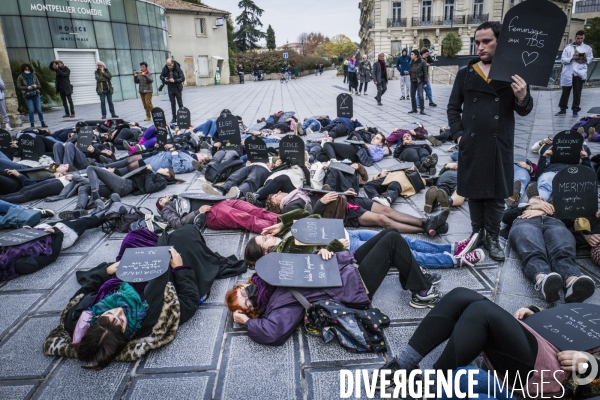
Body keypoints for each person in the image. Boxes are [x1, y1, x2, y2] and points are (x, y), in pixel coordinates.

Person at [44, 225, 245, 369]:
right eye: (120, 320)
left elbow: (86, 289)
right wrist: (180, 268)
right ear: (126, 333)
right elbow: (189, 302)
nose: (118, 312)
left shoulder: (80, 316)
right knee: (185, 236)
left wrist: (106, 271)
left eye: (109, 315)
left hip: (129, 269)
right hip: (165, 272)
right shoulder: (151, 322)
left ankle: (159, 230)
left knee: (133, 236)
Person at [227, 230, 444, 348]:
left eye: (244, 291)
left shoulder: (270, 275)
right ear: (253, 311)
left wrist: (322, 252)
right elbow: (274, 333)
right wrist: (247, 322)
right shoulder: (277, 305)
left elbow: (307, 265)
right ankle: (422, 291)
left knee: (388, 234)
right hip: (354, 287)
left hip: (342, 267)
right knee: (393, 241)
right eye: (247, 302)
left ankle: (415, 280)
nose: (250, 295)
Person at [372, 287, 594, 398]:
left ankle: (433, 385)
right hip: (534, 338)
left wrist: (590, 364)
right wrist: (536, 312)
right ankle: (403, 364)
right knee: (461, 295)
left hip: (554, 367)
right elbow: (565, 319)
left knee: (482, 312)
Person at [447, 21, 533, 261]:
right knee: (474, 194)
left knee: (495, 196)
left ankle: (492, 237)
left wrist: (523, 95)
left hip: (499, 143)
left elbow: (525, 110)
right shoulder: (466, 73)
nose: (480, 47)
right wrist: (459, 135)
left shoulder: (513, 74)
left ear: (500, 42)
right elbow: (453, 108)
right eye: (477, 42)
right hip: (471, 143)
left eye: (486, 41)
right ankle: (477, 234)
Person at [245, 210, 483, 269]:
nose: (265, 235)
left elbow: (312, 216)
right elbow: (317, 257)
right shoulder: (286, 254)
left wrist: (283, 222)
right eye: (263, 240)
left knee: (402, 239)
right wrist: (336, 246)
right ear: (266, 253)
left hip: (348, 232)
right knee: (405, 253)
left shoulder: (283, 236)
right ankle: (454, 259)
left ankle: (451, 247)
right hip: (349, 244)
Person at [503, 196, 595, 303]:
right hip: (526, 223)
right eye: (534, 197)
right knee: (532, 250)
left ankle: (572, 282)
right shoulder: (520, 208)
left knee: (563, 250)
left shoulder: (556, 212)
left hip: (555, 225)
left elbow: (571, 219)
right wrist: (532, 207)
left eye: (543, 199)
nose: (539, 197)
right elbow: (505, 216)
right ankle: (543, 279)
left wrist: (544, 212)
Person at [157, 195, 278, 233]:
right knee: (247, 219)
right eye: (161, 199)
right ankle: (276, 228)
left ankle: (284, 219)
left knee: (255, 210)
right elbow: (178, 224)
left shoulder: (179, 196)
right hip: (211, 213)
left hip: (220, 201)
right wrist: (197, 212)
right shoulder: (166, 211)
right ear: (160, 206)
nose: (165, 197)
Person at [556, 30, 593, 117]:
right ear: (575, 37)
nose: (580, 40)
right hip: (568, 72)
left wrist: (585, 58)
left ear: (583, 38)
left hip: (579, 73)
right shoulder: (568, 47)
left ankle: (575, 110)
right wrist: (572, 58)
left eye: (581, 38)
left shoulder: (587, 48)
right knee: (565, 92)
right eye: (578, 38)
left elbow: (591, 59)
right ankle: (563, 109)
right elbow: (563, 60)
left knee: (577, 92)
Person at [16, 63, 46, 128]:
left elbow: (39, 85)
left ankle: (42, 122)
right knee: (31, 110)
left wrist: (35, 86)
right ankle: (32, 124)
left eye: (28, 68)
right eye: (25, 68)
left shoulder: (34, 76)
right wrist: (27, 87)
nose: (27, 69)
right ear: (23, 69)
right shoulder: (20, 77)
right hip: (27, 95)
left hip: (36, 93)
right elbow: (18, 86)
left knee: (39, 109)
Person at [160, 59, 185, 123]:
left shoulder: (177, 68)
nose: (169, 67)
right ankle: (174, 117)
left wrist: (174, 80)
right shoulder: (165, 68)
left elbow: (182, 78)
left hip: (177, 87)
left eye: (170, 65)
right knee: (172, 103)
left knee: (180, 103)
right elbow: (161, 76)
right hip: (170, 87)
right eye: (168, 65)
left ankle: (182, 117)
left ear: (173, 63)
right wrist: (164, 78)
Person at [408, 49, 428, 115]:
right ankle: (414, 109)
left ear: (416, 55)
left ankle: (422, 110)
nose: (411, 56)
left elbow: (425, 72)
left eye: (412, 54)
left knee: (420, 96)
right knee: (412, 96)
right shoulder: (411, 61)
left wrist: (425, 82)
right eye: (411, 54)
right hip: (412, 81)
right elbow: (411, 70)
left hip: (419, 81)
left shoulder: (422, 62)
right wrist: (408, 72)